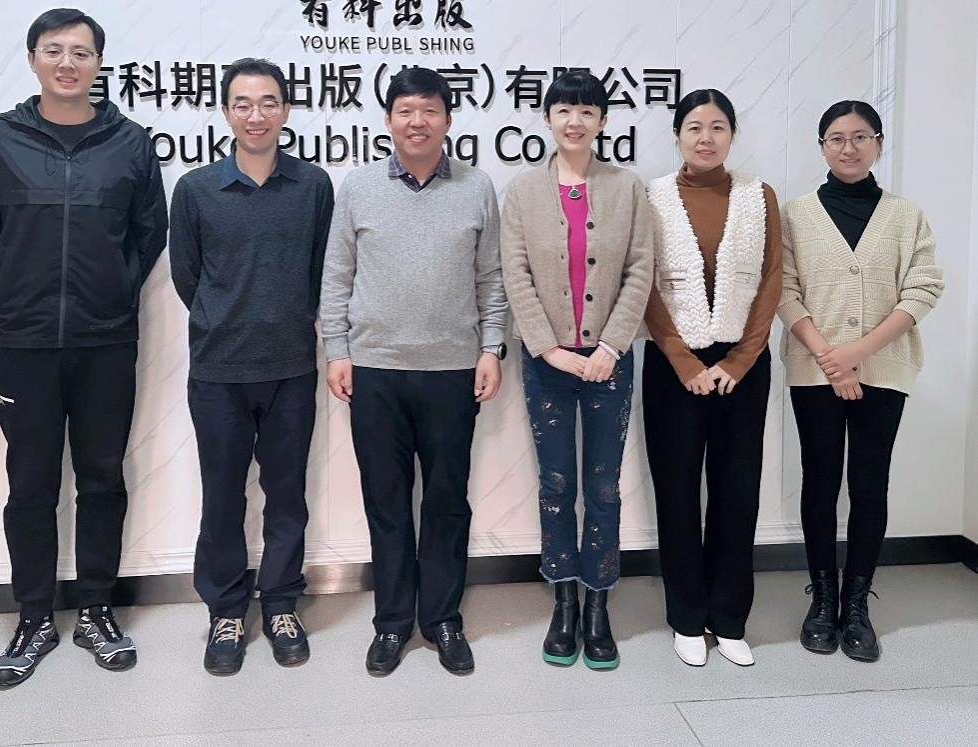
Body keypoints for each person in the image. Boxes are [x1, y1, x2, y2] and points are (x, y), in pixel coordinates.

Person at [0, 8, 167, 689]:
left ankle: (97, 611)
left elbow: (150, 232)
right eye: (54, 50)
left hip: (106, 341)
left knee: (102, 478)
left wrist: (113, 291)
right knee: (31, 484)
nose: (68, 62)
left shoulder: (129, 142)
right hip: (26, 343)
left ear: (98, 64)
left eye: (81, 52)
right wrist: (22, 288)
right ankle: (34, 618)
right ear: (33, 60)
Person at [319, 66, 507, 677]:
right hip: (375, 371)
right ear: (388, 120)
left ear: (448, 119)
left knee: (448, 500)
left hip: (453, 369)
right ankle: (393, 622)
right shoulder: (358, 187)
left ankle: (443, 618)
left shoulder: (477, 187)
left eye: (429, 110)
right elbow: (336, 277)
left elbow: (491, 278)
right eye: (405, 111)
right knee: (387, 501)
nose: (417, 122)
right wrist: (337, 350)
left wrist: (491, 347)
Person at [169, 58, 334, 675]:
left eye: (268, 102)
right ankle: (227, 610)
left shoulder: (313, 186)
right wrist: (224, 318)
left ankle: (282, 602)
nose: (256, 115)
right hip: (218, 370)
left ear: (285, 110)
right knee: (222, 496)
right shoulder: (196, 190)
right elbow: (187, 276)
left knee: (287, 493)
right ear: (226, 112)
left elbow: (322, 271)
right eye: (242, 103)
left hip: (291, 366)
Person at [778, 100, 943, 662]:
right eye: (836, 138)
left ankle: (856, 605)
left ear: (878, 143)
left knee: (870, 484)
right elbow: (783, 290)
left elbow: (923, 288)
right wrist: (830, 358)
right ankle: (823, 600)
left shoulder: (905, 215)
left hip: (883, 368)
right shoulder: (796, 214)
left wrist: (856, 354)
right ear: (821, 146)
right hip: (813, 371)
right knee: (820, 481)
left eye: (860, 137)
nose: (848, 148)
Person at [500, 72, 653, 670]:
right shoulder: (522, 191)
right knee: (557, 484)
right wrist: (549, 349)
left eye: (587, 111)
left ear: (603, 122)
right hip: (547, 365)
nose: (575, 121)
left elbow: (640, 268)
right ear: (547, 118)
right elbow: (515, 275)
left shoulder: (626, 188)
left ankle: (598, 604)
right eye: (563, 109)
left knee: (604, 487)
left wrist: (612, 346)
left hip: (610, 363)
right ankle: (563, 602)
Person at [641, 88, 782, 668]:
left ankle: (729, 618)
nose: (706, 137)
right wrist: (684, 361)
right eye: (694, 127)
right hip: (672, 363)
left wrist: (739, 361)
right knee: (676, 492)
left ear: (732, 135)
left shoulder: (758, 195)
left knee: (736, 490)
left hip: (742, 365)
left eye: (718, 127)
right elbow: (644, 283)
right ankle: (686, 617)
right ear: (678, 134)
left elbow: (771, 279)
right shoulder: (651, 197)